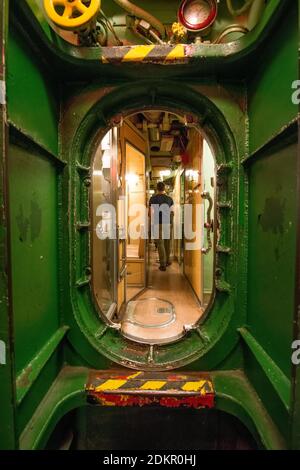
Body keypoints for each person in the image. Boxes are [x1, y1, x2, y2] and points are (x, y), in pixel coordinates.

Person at [149, 181, 174, 271]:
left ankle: (162, 263)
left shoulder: (152, 199)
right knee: (167, 242)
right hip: (167, 222)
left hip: (157, 223)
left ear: (157, 189)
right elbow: (172, 212)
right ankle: (167, 261)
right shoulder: (169, 199)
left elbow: (151, 212)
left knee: (160, 243)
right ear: (164, 188)